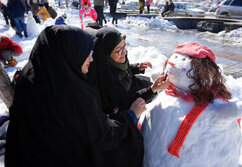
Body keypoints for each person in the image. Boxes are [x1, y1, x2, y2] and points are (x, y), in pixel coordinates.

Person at [5, 25, 145, 167]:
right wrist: (130, 115)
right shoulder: (73, 90)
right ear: (69, 53)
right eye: (86, 53)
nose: (91, 59)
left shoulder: (31, 74)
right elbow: (101, 136)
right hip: (60, 158)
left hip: (23, 155)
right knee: (129, 146)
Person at [87, 27, 170, 115]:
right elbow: (124, 102)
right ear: (106, 55)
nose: (124, 53)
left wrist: (137, 67)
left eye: (124, 47)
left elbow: (124, 69)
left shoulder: (116, 61)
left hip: (129, 84)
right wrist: (152, 90)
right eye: (119, 50)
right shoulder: (104, 79)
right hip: (125, 100)